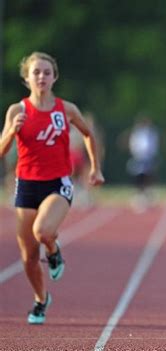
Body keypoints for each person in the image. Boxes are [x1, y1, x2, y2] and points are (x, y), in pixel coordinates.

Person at [0, 52, 105, 325]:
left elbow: (88, 134)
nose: (41, 77)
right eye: (36, 72)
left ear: (54, 76)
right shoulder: (17, 111)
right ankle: (40, 299)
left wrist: (94, 168)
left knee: (42, 231)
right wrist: (11, 132)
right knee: (28, 256)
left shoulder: (65, 109)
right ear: (27, 78)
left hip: (57, 183)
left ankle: (53, 249)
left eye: (47, 72)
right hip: (26, 186)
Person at [126, 114, 159, 212]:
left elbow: (154, 144)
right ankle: (139, 195)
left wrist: (152, 154)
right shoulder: (136, 133)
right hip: (139, 157)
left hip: (149, 157)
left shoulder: (151, 132)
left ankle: (148, 195)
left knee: (149, 176)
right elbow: (133, 144)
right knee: (138, 177)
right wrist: (136, 153)